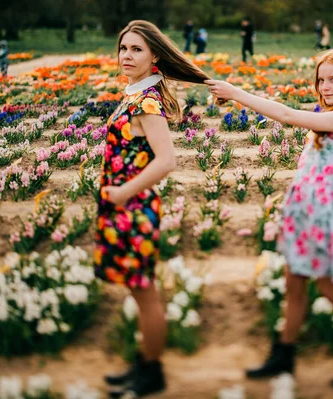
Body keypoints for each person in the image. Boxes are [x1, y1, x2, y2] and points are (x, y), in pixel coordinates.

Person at [206, 47, 333, 387]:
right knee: (294, 285)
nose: (325, 87)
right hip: (303, 207)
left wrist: (237, 94)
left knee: (329, 287)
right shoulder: (326, 116)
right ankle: (283, 355)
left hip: (324, 213)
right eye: (321, 80)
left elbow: (286, 115)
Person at [96, 19, 211, 399]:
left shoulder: (146, 102)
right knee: (137, 290)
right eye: (123, 48)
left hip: (132, 207)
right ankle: (144, 364)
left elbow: (166, 161)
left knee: (145, 293)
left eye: (136, 50)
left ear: (155, 56)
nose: (127, 56)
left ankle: (152, 373)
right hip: (123, 206)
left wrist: (123, 193)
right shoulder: (135, 94)